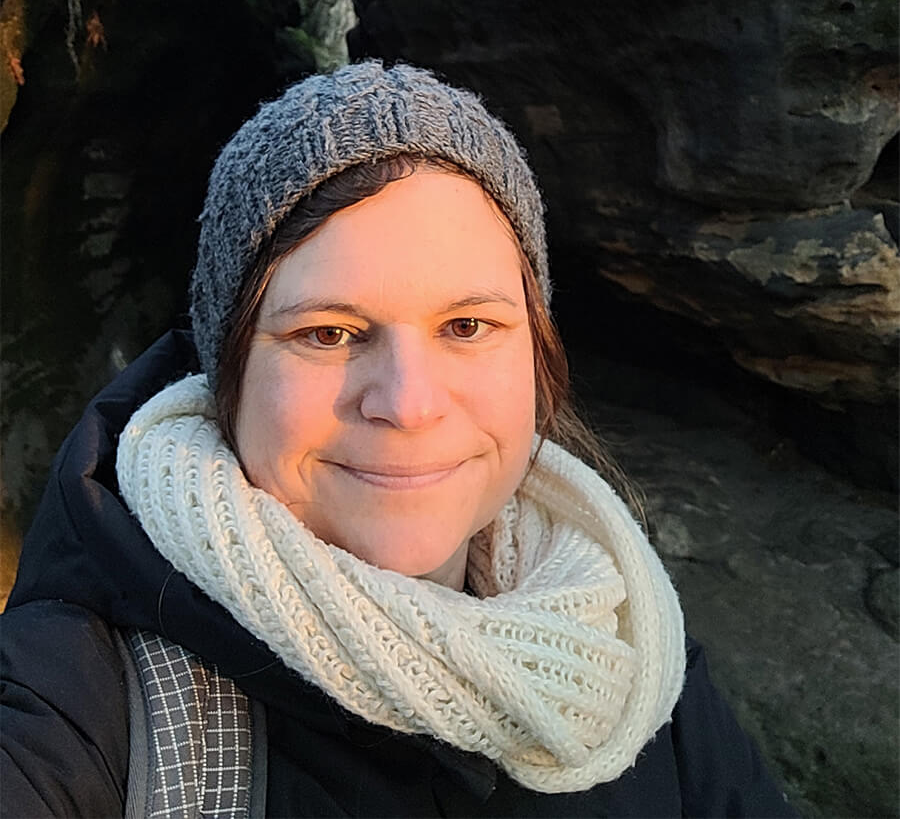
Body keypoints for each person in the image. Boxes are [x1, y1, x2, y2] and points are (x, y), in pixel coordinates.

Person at [1, 60, 797, 817]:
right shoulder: (79, 701)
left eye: (467, 325)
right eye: (328, 333)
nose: (409, 404)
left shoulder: (628, 654)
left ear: (537, 350)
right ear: (228, 371)